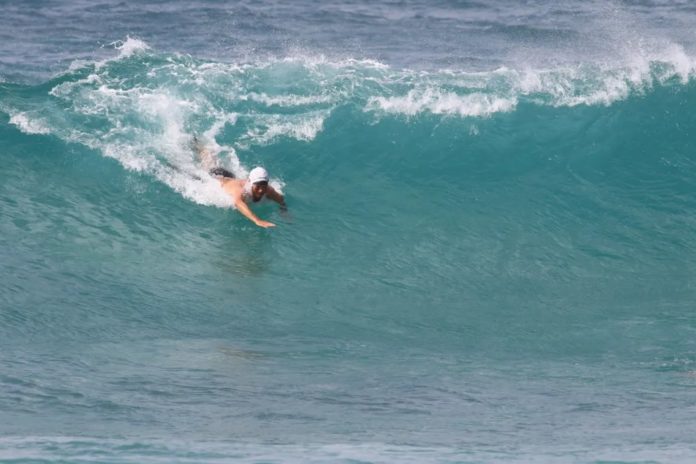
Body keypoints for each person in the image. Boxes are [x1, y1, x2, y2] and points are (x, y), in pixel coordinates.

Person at [194, 139, 286, 228]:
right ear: (251, 183)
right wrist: (257, 220)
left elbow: (280, 199)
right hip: (216, 178)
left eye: (264, 186)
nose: (261, 190)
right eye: (257, 186)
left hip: (231, 177)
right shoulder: (242, 191)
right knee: (208, 165)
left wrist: (283, 209)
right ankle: (196, 144)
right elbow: (238, 203)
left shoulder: (268, 189)